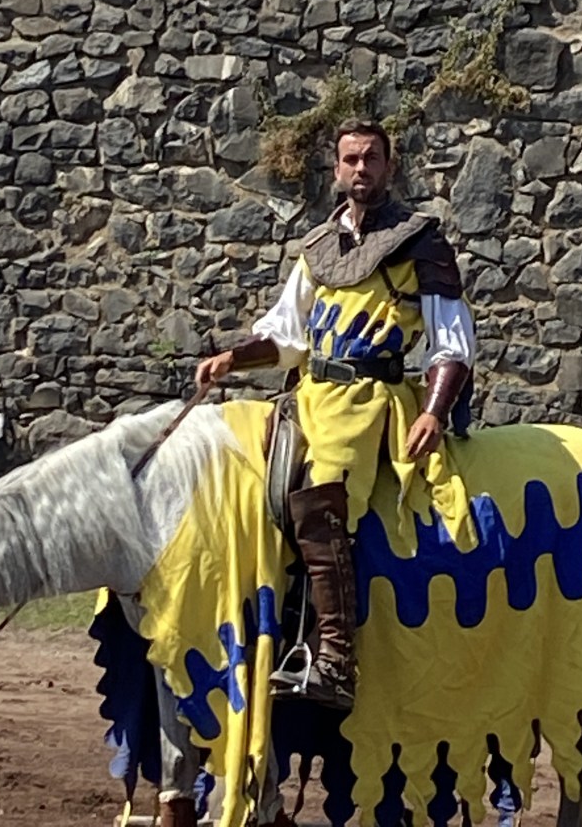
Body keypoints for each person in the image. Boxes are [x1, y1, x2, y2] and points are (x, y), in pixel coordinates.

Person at [195, 118, 475, 710]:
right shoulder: (319, 246)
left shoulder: (419, 239)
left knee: (322, 500)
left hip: (371, 401)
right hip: (308, 395)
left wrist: (433, 412)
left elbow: (452, 340)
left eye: (371, 158)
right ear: (337, 168)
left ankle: (336, 661)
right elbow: (289, 335)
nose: (360, 168)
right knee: (245, 477)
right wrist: (233, 357)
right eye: (350, 159)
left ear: (388, 167)